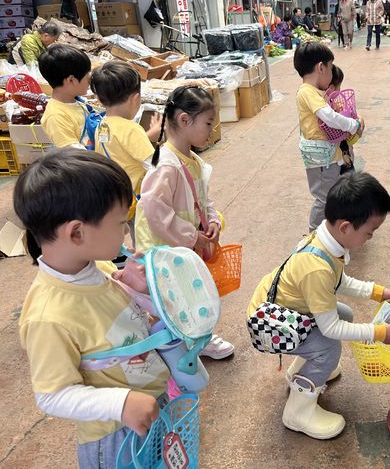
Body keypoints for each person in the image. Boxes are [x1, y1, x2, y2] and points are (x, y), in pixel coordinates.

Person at [16, 149, 169, 468]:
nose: (126, 231)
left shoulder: (98, 266)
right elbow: (52, 395)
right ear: (76, 232)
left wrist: (141, 291)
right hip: (116, 434)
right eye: (119, 223)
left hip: (149, 403)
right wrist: (122, 402)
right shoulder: (49, 316)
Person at [246, 172, 390, 440]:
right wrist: (379, 333)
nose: (371, 238)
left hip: (284, 310)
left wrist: (376, 292)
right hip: (270, 325)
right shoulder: (316, 267)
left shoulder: (326, 242)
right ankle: (298, 413)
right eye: (369, 232)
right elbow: (330, 328)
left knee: (344, 312)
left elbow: (339, 281)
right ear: (345, 227)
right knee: (330, 346)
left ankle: (304, 370)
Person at [133, 86, 235, 360]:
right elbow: (154, 210)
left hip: (183, 244)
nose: (211, 130)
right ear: (184, 120)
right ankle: (191, 340)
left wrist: (212, 221)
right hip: (166, 248)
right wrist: (193, 236)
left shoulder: (190, 160)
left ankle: (193, 336)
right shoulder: (167, 166)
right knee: (176, 295)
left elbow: (202, 197)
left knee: (190, 289)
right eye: (208, 123)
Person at [293, 42, 364, 232]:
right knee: (324, 197)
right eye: (331, 67)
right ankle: (314, 235)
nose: (332, 72)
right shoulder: (307, 92)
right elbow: (329, 117)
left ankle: (330, 229)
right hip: (320, 159)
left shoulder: (316, 92)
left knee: (333, 192)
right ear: (321, 67)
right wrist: (353, 125)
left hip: (328, 155)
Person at [90, 62, 162, 234]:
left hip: (117, 198)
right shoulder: (131, 129)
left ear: (99, 99)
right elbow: (154, 165)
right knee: (145, 237)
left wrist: (149, 134)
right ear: (136, 98)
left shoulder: (101, 125)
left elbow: (120, 147)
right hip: (137, 200)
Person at [38, 44, 92, 149]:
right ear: (71, 80)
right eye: (88, 77)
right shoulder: (55, 116)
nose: (90, 82)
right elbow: (76, 155)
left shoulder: (76, 101)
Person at [326, 65, 355, 174]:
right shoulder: (326, 104)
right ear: (332, 87)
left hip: (339, 149)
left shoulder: (327, 101)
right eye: (339, 86)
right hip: (340, 148)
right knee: (347, 176)